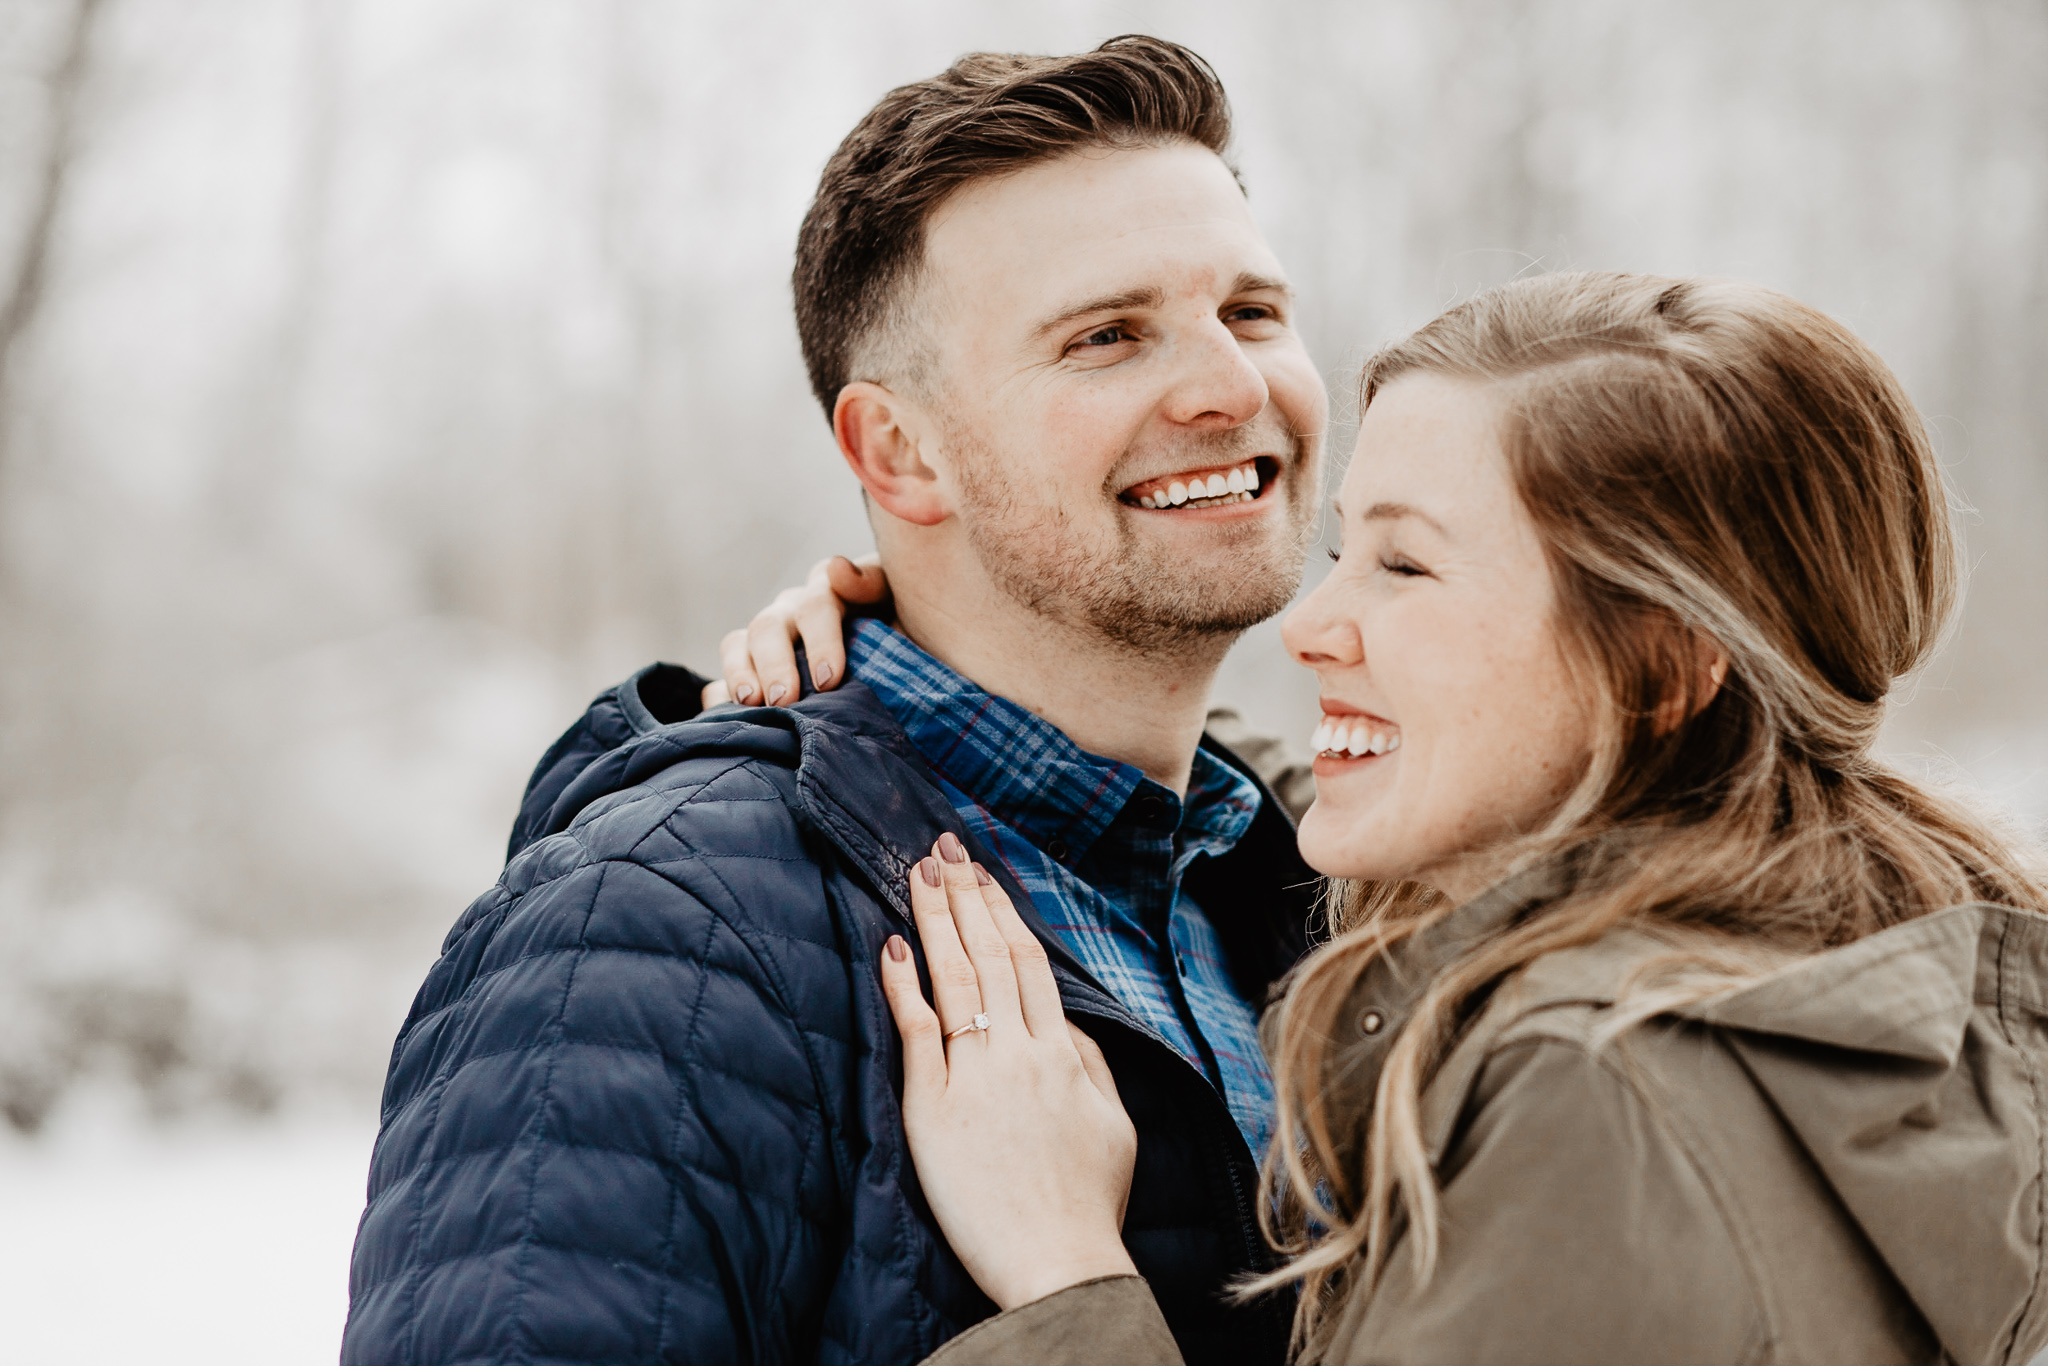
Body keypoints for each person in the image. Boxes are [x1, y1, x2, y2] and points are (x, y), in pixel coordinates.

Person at [735, 272, 2048, 1363]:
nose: (1309, 625)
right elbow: (1322, 795)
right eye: (1340, 551)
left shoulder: (1606, 1103)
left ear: (1660, 663)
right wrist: (943, 643)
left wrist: (1063, 1268)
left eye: (1407, 564)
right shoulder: (1838, 970)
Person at [342, 36, 1328, 1366]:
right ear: (899, 452)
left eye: (1254, 310)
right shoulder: (651, 935)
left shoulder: (1326, 887)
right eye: (1109, 335)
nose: (1232, 383)